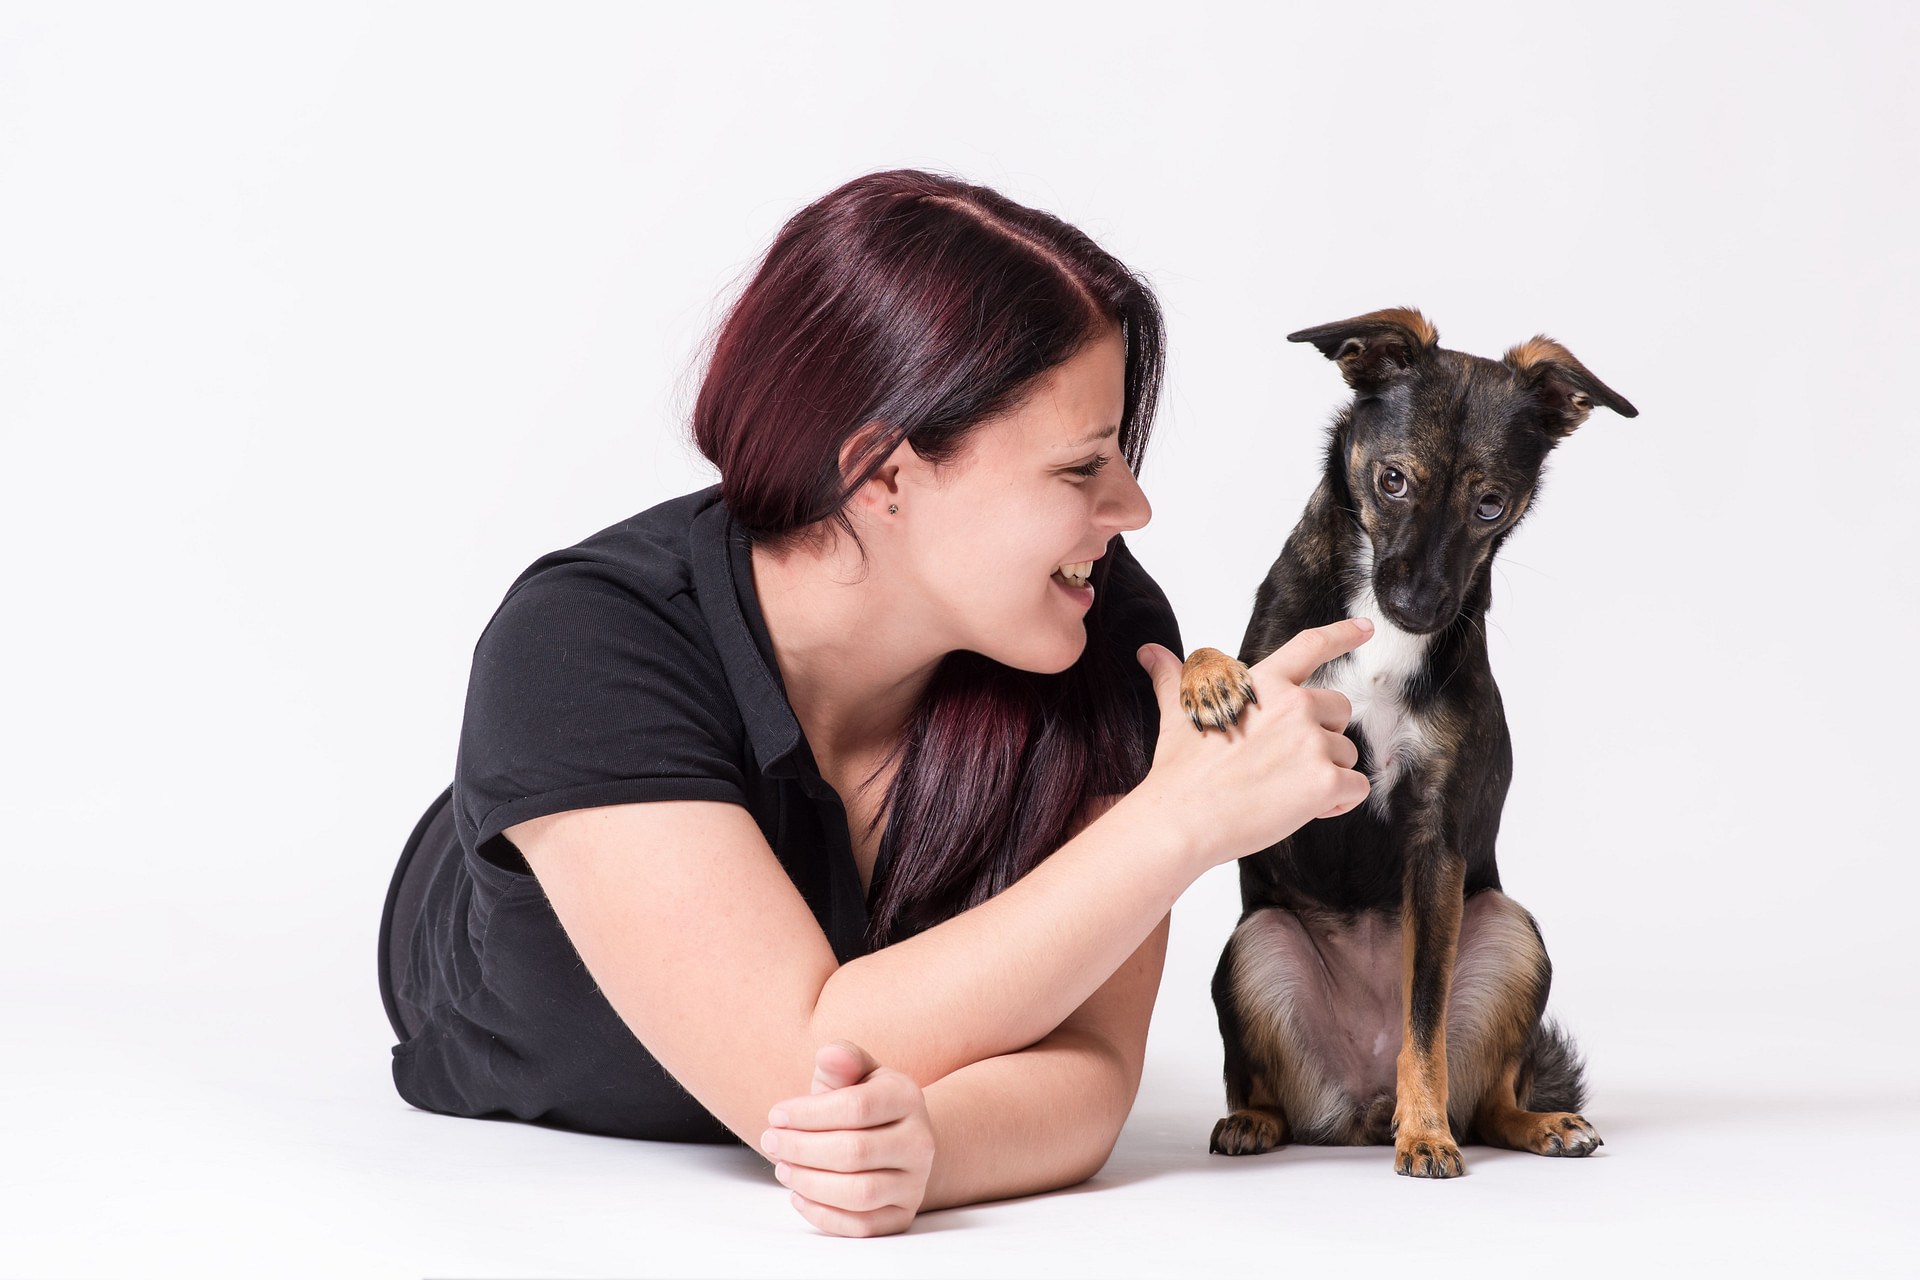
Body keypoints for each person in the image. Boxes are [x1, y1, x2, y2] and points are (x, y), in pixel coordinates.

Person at [377, 169, 1372, 1238]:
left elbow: (1088, 1061)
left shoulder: (1101, 627)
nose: (1132, 507)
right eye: (1082, 467)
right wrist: (1179, 821)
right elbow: (796, 1064)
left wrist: (934, 1143)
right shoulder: (579, 649)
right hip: (541, 900)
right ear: (880, 474)